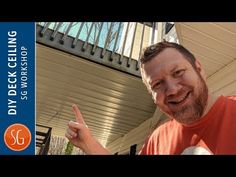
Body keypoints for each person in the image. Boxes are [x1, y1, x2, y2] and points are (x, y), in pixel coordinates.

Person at [65, 41, 236, 155]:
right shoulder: (158, 138)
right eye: (157, 84)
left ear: (199, 69)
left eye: (178, 72)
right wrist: (90, 145)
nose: (172, 90)